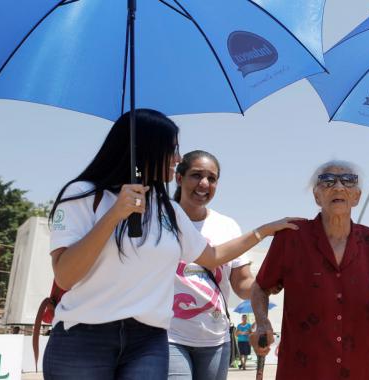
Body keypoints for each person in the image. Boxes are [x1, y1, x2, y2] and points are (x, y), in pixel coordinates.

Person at [42, 109, 299, 380]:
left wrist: (264, 231)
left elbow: (212, 256)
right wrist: (115, 214)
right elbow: (66, 275)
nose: (177, 159)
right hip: (83, 336)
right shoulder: (82, 195)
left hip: (148, 341)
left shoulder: (168, 210)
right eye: (172, 149)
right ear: (144, 148)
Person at [248, 160, 369, 380]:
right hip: (303, 368)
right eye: (327, 181)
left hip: (359, 368)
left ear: (356, 196)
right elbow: (260, 288)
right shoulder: (292, 237)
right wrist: (262, 321)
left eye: (348, 181)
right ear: (317, 196)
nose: (338, 187)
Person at [167, 150, 288, 380]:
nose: (204, 183)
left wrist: (268, 284)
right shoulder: (161, 218)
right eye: (196, 175)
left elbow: (242, 283)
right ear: (179, 178)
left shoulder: (227, 225)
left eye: (211, 178)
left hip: (215, 339)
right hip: (168, 336)